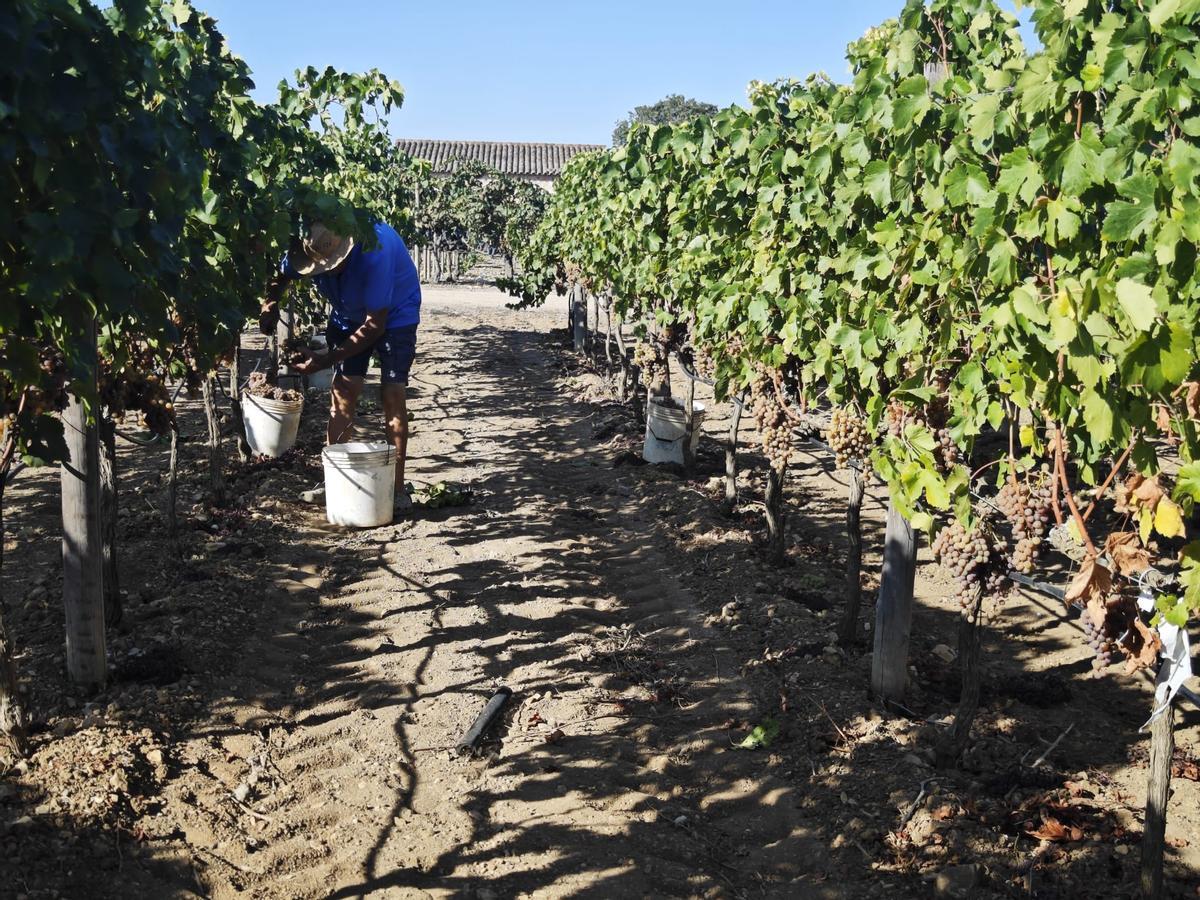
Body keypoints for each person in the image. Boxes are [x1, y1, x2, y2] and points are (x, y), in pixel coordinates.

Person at [260, 221, 422, 511]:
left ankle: (396, 490)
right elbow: (280, 275)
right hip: (348, 316)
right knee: (343, 391)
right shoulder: (312, 249)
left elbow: (374, 326)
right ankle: (334, 480)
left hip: (395, 315)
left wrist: (324, 360)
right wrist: (269, 306)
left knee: (392, 393)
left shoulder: (376, 251)